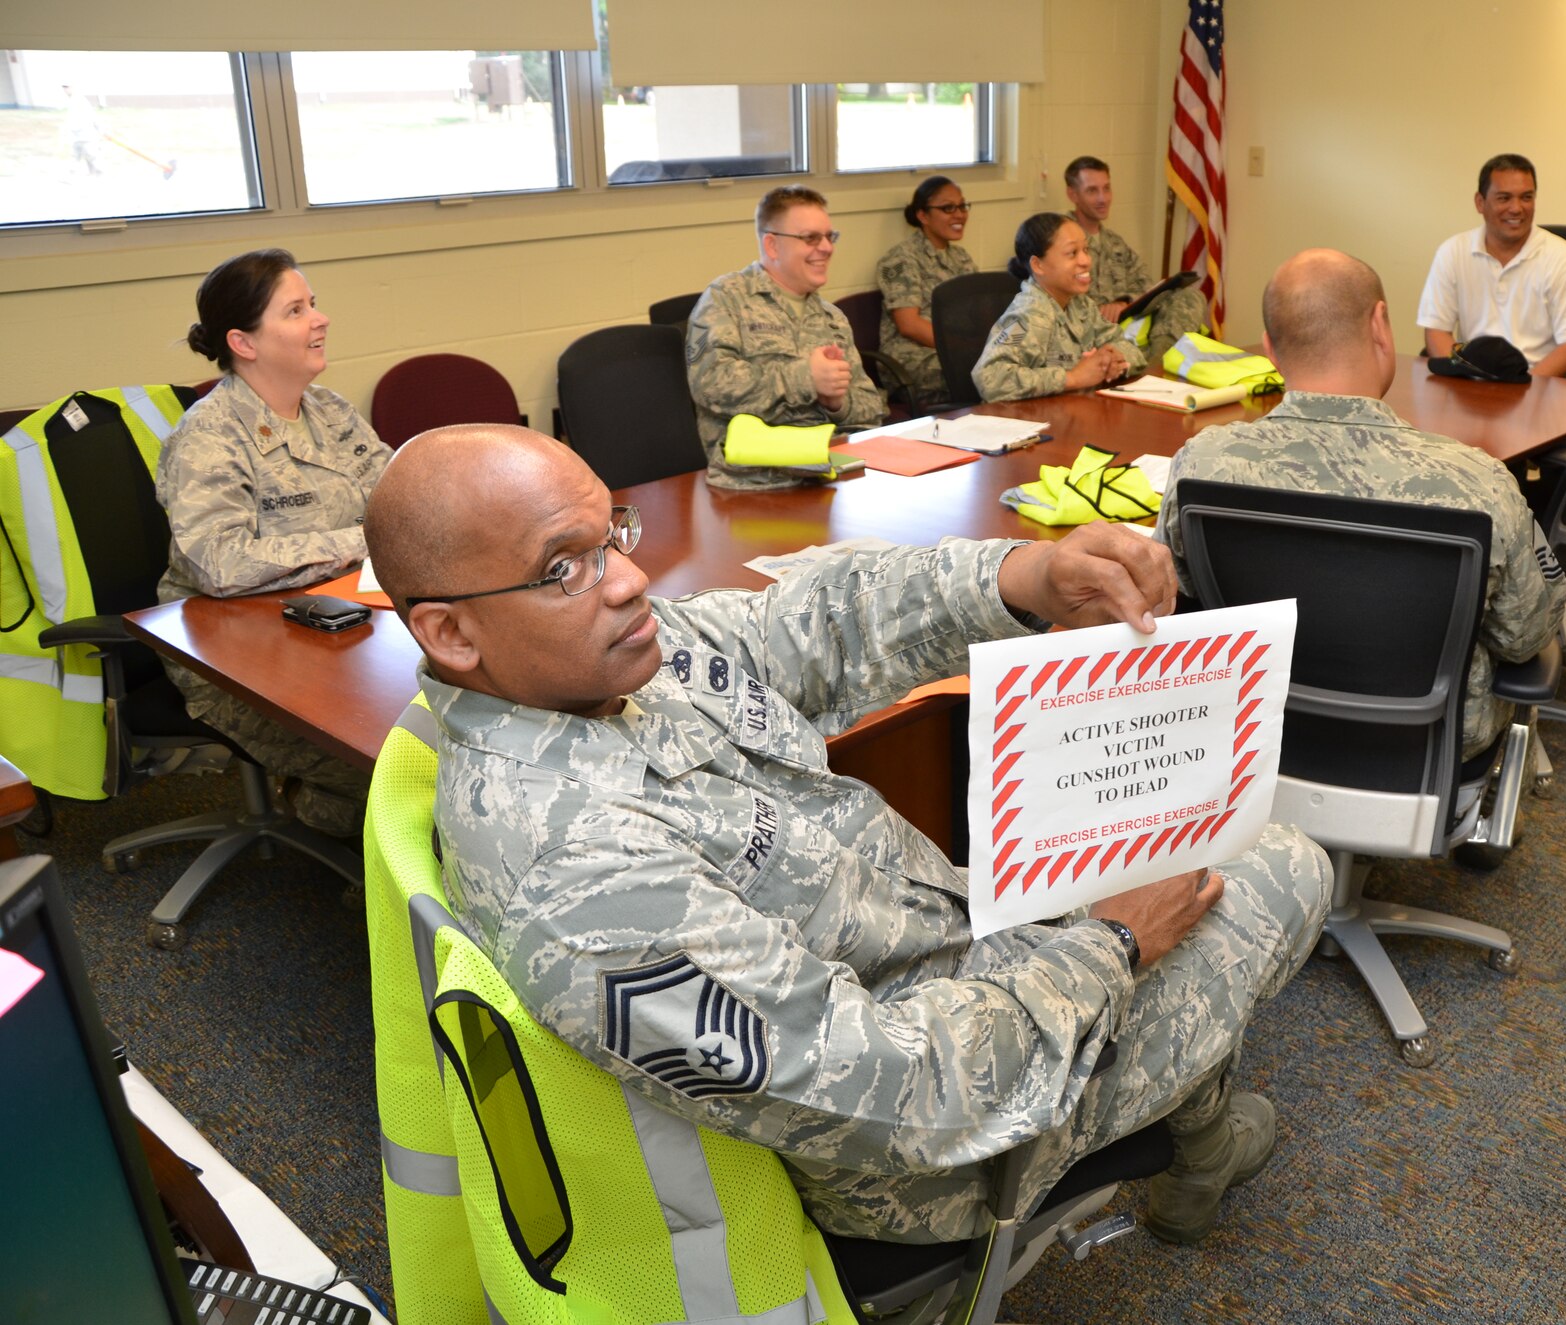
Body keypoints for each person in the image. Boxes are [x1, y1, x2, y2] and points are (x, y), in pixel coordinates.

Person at [363, 422, 1333, 1248]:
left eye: (610, 534)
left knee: (1167, 822)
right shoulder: (584, 880)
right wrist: (1112, 942)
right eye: (562, 568)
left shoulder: (587, 666)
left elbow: (812, 619)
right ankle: (1200, 1153)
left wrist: (1023, 574)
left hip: (944, 946)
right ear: (451, 633)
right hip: (929, 1148)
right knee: (1276, 862)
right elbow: (902, 1092)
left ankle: (1196, 1144)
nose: (626, 580)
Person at [1158, 249, 1566, 759]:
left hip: (1253, 732)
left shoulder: (1201, 463)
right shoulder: (1476, 481)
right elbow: (1527, 634)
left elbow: (1174, 607)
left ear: (1269, 348)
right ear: (1380, 326)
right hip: (1427, 746)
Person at [155, 249, 387, 837]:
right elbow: (220, 563)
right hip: (233, 652)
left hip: (339, 625)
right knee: (395, 770)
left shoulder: (329, 410)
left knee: (445, 736)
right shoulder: (208, 436)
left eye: (313, 304)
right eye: (296, 310)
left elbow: (396, 498)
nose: (320, 319)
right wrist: (363, 540)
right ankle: (310, 803)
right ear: (245, 342)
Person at [686, 186, 886, 491]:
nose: (827, 248)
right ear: (772, 245)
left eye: (829, 237)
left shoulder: (831, 318)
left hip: (829, 479)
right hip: (752, 486)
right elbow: (711, 386)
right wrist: (805, 378)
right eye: (811, 238)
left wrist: (836, 403)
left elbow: (871, 412)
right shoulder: (726, 300)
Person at [1415, 153, 1566, 381]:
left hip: (1546, 382)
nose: (1517, 208)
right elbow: (1436, 330)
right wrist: (1461, 374)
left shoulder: (1563, 259)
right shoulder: (1452, 252)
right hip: (1475, 381)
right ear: (1480, 203)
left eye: (1526, 197)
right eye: (1504, 198)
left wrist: (1522, 386)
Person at [973, 213, 1146, 403]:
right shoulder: (1025, 317)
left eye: (1086, 250)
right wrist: (1072, 378)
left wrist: (1115, 361)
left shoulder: (1081, 304)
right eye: (1072, 253)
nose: (1085, 261)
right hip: (1028, 423)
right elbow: (990, 378)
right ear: (1038, 265)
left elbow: (1127, 346)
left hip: (1072, 413)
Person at [1063, 155, 1209, 350]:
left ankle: (1159, 357)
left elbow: (1145, 284)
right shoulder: (1060, 240)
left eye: (1106, 188)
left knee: (1190, 296)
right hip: (1091, 331)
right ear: (1073, 195)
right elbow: (1058, 295)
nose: (1102, 198)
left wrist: (1124, 301)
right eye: (1092, 191)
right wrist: (1102, 308)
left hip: (1129, 322)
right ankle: (1159, 364)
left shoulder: (1114, 242)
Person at [875, 174, 978, 406]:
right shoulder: (901, 259)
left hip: (957, 351)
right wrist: (964, 348)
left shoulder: (961, 258)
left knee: (1007, 365)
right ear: (923, 215)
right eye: (948, 208)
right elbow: (909, 325)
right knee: (982, 373)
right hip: (912, 356)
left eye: (962, 206)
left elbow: (978, 313)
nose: (959, 214)